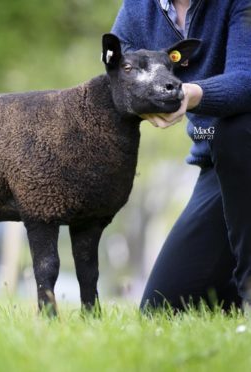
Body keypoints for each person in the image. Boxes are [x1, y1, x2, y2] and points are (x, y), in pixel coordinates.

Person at [112, 0, 251, 311]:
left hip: (243, 144)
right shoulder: (138, 9)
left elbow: (246, 79)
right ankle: (235, 304)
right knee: (161, 309)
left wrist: (190, 94)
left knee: (234, 129)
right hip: (218, 162)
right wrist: (140, 103)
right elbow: (115, 73)